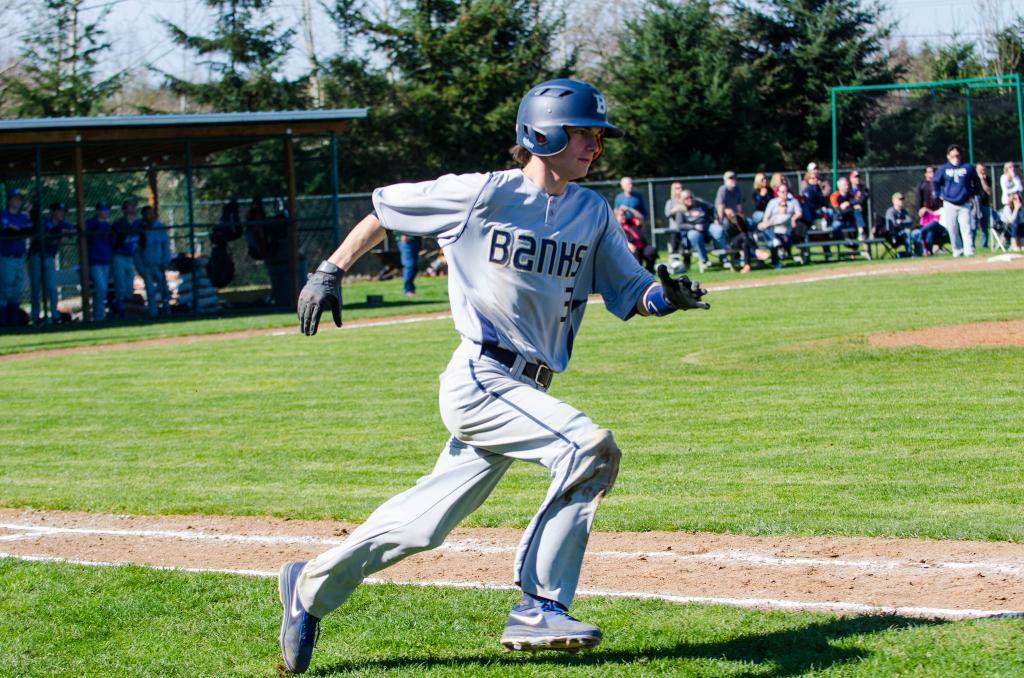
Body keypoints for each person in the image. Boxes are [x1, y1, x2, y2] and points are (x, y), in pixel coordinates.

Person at [282, 78, 711, 675]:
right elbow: (384, 208)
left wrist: (667, 297)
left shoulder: (591, 212)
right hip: (481, 378)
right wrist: (329, 269)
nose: (595, 145)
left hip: (527, 390)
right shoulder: (482, 193)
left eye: (598, 135)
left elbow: (631, 291)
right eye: (584, 131)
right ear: (543, 131)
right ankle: (540, 605)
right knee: (588, 446)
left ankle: (309, 589)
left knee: (420, 527)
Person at [27, 201, 74, 324]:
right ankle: (36, 317)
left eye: (62, 211)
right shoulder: (45, 222)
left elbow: (73, 230)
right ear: (53, 212)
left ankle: (55, 315)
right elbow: (51, 231)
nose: (61, 214)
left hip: (49, 258)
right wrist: (61, 231)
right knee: (36, 288)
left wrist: (67, 231)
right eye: (58, 211)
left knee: (52, 288)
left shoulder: (63, 224)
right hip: (36, 257)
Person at [932, 144, 981, 257]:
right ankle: (957, 250)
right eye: (953, 156)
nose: (956, 158)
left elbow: (976, 183)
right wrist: (939, 194)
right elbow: (935, 182)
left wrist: (972, 195)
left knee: (966, 227)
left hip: (964, 203)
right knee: (952, 229)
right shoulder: (943, 168)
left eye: (958, 155)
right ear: (948, 156)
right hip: (949, 203)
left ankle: (969, 251)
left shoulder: (968, 167)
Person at [0, 188, 32, 326]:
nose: (18, 201)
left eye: (19, 198)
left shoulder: (23, 217)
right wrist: (15, 229)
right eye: (15, 198)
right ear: (9, 200)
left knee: (17, 290)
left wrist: (17, 229)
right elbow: (8, 229)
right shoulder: (3, 215)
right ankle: (3, 322)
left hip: (19, 257)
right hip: (6, 257)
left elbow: (29, 229)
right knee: (5, 290)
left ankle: (14, 323)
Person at [679, 189, 728, 272]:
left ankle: (724, 258)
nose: (689, 199)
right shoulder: (680, 210)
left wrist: (716, 219)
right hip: (694, 230)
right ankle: (704, 260)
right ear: (682, 200)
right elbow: (680, 225)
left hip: (707, 226)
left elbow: (712, 208)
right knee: (693, 235)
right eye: (686, 198)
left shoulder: (700, 204)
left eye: (691, 197)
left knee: (718, 230)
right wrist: (694, 227)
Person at [136, 205, 172, 317]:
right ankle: (153, 313)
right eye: (147, 214)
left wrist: (166, 262)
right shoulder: (140, 229)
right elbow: (137, 251)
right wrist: (140, 268)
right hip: (146, 266)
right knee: (150, 291)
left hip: (159, 265)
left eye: (151, 213)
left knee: (164, 289)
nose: (149, 216)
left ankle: (167, 311)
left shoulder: (160, 228)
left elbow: (166, 246)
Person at [757, 182, 801, 268]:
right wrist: (764, 224)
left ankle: (774, 261)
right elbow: (766, 217)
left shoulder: (787, 216)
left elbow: (776, 222)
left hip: (783, 235)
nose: (783, 206)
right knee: (771, 239)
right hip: (772, 233)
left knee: (773, 242)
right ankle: (773, 255)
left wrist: (765, 225)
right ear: (778, 193)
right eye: (782, 192)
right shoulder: (773, 204)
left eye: (786, 191)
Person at [111, 199, 141, 319]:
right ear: (124, 210)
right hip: (119, 256)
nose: (132, 209)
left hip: (131, 257)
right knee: (121, 287)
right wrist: (120, 237)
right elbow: (113, 243)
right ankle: (120, 312)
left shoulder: (138, 223)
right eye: (129, 207)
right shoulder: (118, 224)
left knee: (129, 286)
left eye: (133, 206)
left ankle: (128, 312)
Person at [86, 201, 115, 321]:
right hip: (95, 261)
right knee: (101, 288)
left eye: (107, 210)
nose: (105, 212)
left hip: (106, 260)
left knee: (103, 289)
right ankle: (98, 316)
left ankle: (100, 316)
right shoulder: (91, 223)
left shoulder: (108, 226)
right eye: (103, 210)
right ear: (97, 211)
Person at [616, 204, 656, 272]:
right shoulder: (616, 227)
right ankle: (638, 272)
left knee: (651, 250)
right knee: (634, 253)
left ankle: (650, 271)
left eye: (625, 214)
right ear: (616, 217)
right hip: (630, 250)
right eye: (621, 215)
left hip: (642, 247)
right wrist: (627, 244)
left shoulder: (631, 222)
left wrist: (629, 209)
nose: (624, 216)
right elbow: (617, 239)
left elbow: (641, 217)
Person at [916, 165, 946, 255]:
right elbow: (919, 202)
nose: (931, 174)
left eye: (933, 172)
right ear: (925, 174)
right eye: (929, 172)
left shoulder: (939, 185)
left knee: (933, 228)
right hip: (927, 216)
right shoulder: (922, 185)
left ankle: (935, 247)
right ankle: (928, 249)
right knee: (930, 231)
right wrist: (920, 210)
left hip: (938, 215)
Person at [882, 192, 922, 257]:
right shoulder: (891, 211)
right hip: (895, 235)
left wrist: (901, 222)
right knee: (907, 231)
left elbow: (910, 221)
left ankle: (918, 253)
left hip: (905, 232)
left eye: (902, 199)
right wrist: (903, 224)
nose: (901, 201)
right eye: (899, 199)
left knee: (917, 232)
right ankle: (908, 253)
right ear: (894, 201)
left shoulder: (904, 211)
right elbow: (893, 224)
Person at [663, 181, 689, 273]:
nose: (680, 190)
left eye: (681, 188)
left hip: (686, 228)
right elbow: (667, 214)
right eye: (677, 188)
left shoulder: (686, 200)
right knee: (674, 237)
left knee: (687, 241)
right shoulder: (670, 202)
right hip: (675, 229)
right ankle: (674, 260)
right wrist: (676, 209)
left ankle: (687, 263)